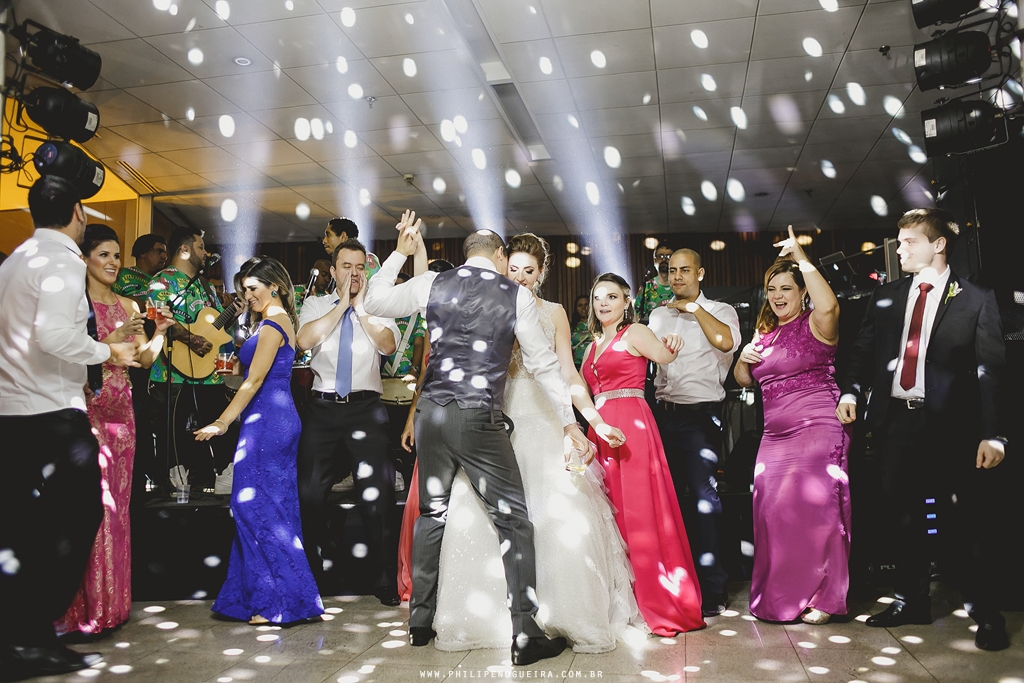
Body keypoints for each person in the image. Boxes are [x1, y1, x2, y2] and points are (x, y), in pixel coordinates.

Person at [364, 212, 592, 666]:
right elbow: (544, 365)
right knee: (514, 521)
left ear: (468, 254)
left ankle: (420, 623)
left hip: (431, 414)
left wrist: (399, 254)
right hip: (477, 417)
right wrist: (569, 421)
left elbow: (375, 300)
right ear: (501, 256)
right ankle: (525, 633)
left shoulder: (432, 283)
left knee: (432, 514)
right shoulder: (515, 296)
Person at [427, 233, 641, 653]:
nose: (521, 279)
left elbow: (567, 374)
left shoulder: (555, 313)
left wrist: (585, 421)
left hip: (543, 419)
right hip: (492, 422)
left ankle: (557, 614)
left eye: (529, 271)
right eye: (513, 271)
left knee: (551, 519)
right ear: (502, 268)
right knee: (481, 518)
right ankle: (486, 617)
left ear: (542, 274)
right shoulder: (488, 305)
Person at [836, 209, 1009, 651]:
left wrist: (994, 434)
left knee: (966, 521)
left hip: (954, 427)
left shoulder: (976, 298)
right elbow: (861, 351)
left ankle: (985, 612)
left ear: (938, 244)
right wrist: (851, 392)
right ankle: (911, 600)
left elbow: (992, 370)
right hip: (897, 422)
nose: (900, 248)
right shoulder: (887, 295)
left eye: (909, 241)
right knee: (903, 517)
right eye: (899, 241)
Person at [0, 176, 139, 678]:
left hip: (11, 416)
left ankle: (25, 640)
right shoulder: (60, 260)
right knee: (81, 517)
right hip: (52, 416)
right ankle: (33, 632)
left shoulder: (15, 260)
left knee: (22, 531)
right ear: (78, 212)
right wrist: (109, 351)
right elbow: (53, 333)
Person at [56, 225, 172, 641]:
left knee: (118, 509)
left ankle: (112, 606)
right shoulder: (74, 305)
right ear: (86, 258)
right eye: (103, 254)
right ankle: (81, 607)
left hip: (123, 414)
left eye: (116, 256)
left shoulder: (128, 302)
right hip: (87, 410)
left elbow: (141, 362)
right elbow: (69, 351)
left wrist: (158, 334)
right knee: (90, 507)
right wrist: (113, 338)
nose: (112, 263)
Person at [195, 257, 323, 625]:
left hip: (269, 420)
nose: (247, 295)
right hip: (269, 417)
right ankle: (263, 596)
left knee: (254, 507)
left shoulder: (272, 324)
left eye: (253, 288)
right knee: (270, 508)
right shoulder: (271, 323)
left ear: (275, 287)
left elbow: (252, 382)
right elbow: (247, 374)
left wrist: (221, 422)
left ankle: (276, 601)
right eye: (245, 289)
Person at [733, 228, 851, 624]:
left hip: (817, 427)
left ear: (802, 291)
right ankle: (781, 594)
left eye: (786, 287)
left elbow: (831, 307)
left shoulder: (817, 324)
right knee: (772, 512)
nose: (777, 295)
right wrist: (744, 358)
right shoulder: (766, 332)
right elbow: (743, 379)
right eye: (771, 289)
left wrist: (802, 258)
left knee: (817, 513)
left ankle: (824, 598)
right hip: (774, 436)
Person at [580, 273, 705, 636]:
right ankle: (621, 598)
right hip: (600, 428)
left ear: (626, 302)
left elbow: (664, 355)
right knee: (608, 514)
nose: (603, 303)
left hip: (632, 425)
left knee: (639, 511)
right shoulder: (591, 345)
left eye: (612, 297)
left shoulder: (633, 332)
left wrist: (673, 343)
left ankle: (657, 597)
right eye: (598, 297)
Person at [295, 239, 400, 605]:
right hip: (322, 409)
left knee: (379, 496)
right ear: (334, 269)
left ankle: (383, 577)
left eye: (360, 267)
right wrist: (341, 305)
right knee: (308, 492)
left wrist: (360, 308)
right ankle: (314, 573)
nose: (354, 273)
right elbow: (304, 339)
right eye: (346, 266)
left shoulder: (379, 306)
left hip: (366, 409)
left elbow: (386, 345)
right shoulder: (315, 304)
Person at [648, 249, 740, 617]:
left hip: (701, 418)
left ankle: (714, 589)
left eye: (685, 270)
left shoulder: (720, 311)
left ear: (700, 273)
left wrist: (692, 309)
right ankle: (670, 585)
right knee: (664, 503)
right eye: (672, 271)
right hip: (662, 415)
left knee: (705, 504)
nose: (677, 277)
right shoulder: (657, 314)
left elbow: (725, 343)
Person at [148, 227, 241, 492]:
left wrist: (232, 313)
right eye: (201, 247)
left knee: (218, 422)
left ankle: (225, 472)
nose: (206, 252)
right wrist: (192, 340)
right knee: (173, 430)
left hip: (208, 372)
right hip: (172, 372)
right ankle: (175, 476)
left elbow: (215, 327)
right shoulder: (162, 281)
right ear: (185, 250)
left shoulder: (205, 287)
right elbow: (157, 316)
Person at [111, 233, 168, 304]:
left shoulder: (167, 280)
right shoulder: (121, 274)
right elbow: (108, 301)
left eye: (165, 253)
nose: (165, 257)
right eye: (159, 251)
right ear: (143, 253)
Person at [635, 241, 674, 322]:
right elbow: (637, 316)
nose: (664, 259)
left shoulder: (680, 285)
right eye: (660, 256)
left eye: (668, 256)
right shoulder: (646, 287)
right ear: (655, 260)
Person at [570, 294, 592, 369]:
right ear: (576, 308)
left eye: (586, 304)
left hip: (595, 363)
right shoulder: (571, 326)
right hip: (576, 365)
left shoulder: (599, 325)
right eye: (580, 305)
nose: (583, 307)